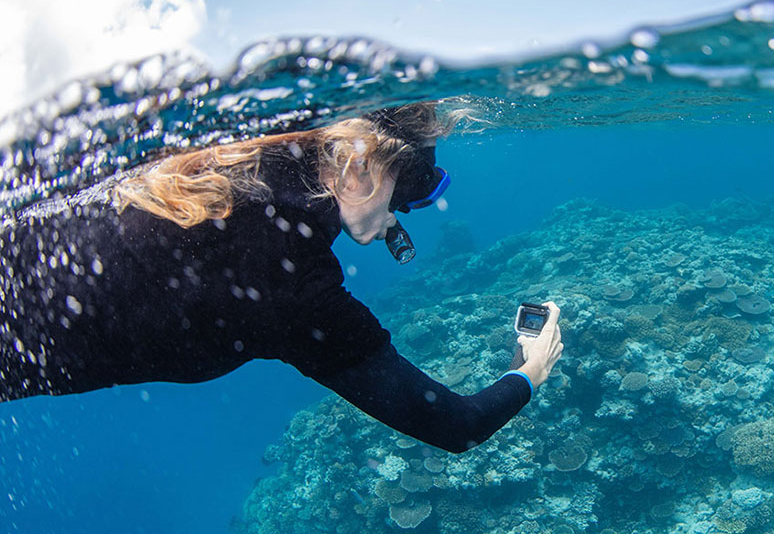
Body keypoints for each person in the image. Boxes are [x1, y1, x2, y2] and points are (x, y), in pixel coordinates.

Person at [0, 101, 563, 454]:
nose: (409, 210)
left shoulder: (234, 154)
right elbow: (457, 426)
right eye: (415, 184)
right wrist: (531, 370)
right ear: (360, 165)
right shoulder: (292, 282)